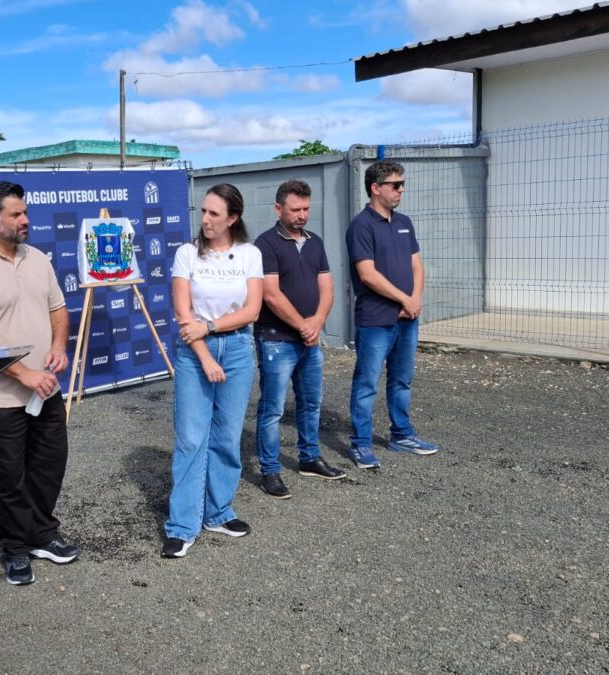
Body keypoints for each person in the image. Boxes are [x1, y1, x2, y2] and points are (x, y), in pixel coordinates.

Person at [0, 180, 79, 586]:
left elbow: (58, 309)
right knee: (8, 479)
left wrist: (58, 346)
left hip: (46, 389)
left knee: (48, 467)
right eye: (16, 214)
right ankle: (15, 548)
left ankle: (42, 534)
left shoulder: (38, 258)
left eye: (25, 212)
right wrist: (25, 373)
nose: (26, 220)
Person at [162, 183, 263, 558]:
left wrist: (211, 328)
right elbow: (184, 315)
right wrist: (205, 355)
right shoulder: (187, 254)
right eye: (203, 212)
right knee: (191, 437)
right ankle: (183, 525)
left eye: (214, 214)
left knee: (226, 436)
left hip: (236, 348)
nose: (205, 220)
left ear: (233, 218)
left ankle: (218, 512)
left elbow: (252, 310)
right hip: (194, 352)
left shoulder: (249, 255)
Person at [345, 160, 441, 470]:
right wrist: (404, 298)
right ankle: (360, 443)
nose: (401, 190)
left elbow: (417, 264)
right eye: (395, 185)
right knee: (367, 383)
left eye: (402, 184)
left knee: (402, 381)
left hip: (406, 319)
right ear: (375, 188)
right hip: (376, 320)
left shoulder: (405, 222)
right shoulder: (361, 226)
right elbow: (368, 274)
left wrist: (414, 301)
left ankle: (401, 435)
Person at [253, 179, 345, 499]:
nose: (302, 215)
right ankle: (269, 470)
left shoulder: (315, 242)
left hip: (309, 341)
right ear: (279, 209)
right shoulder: (265, 244)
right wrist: (303, 326)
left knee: (310, 403)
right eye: (295, 209)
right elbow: (270, 294)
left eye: (306, 209)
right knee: (273, 409)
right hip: (277, 341)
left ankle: (309, 457)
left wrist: (317, 322)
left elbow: (328, 288)